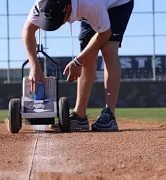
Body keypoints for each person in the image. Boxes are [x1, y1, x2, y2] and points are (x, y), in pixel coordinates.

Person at [22, 0, 134, 132]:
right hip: (92, 7)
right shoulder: (43, 3)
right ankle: (79, 116)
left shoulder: (90, 5)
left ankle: (109, 115)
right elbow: (28, 31)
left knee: (109, 49)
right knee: (87, 51)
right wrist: (34, 66)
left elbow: (105, 34)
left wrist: (77, 61)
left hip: (117, 4)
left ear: (68, 7)